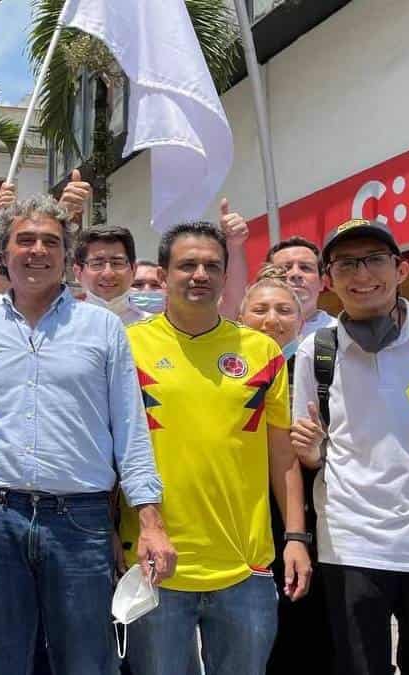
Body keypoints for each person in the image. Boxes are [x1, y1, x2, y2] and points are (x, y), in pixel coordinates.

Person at [0, 196, 173, 675]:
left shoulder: (102, 329)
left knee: (86, 662)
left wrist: (149, 519)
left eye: (51, 242)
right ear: (3, 252)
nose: (37, 250)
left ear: (65, 256)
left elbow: (131, 427)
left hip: (79, 522)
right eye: (25, 240)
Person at [122, 222, 310, 675]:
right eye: (187, 265)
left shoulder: (262, 351)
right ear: (163, 275)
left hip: (245, 568)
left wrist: (297, 538)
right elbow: (114, 450)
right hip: (156, 564)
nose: (200, 274)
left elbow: (281, 455)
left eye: (212, 265)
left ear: (227, 277)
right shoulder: (127, 347)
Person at [291, 219, 409, 675]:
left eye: (374, 260)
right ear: (330, 279)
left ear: (401, 268)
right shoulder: (317, 349)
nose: (362, 274)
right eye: (347, 263)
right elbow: (310, 452)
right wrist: (311, 451)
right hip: (352, 542)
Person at [237, 266, 334, 675]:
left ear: (301, 320)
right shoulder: (227, 373)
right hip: (246, 515)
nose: (271, 319)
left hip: (313, 515)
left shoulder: (324, 372)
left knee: (312, 626)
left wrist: (319, 450)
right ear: (241, 317)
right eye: (259, 309)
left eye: (283, 310)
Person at [72, 225, 150, 325]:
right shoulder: (63, 323)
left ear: (133, 270)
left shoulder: (152, 322)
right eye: (97, 264)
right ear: (78, 272)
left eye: (117, 263)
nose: (108, 274)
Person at [266, 236, 337, 338]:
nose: (296, 273)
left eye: (305, 267)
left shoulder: (343, 334)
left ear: (322, 282)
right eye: (285, 268)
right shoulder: (254, 336)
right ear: (267, 281)